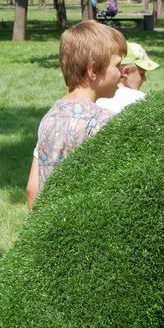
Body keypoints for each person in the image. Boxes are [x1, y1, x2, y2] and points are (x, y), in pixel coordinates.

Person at [25, 20, 126, 209]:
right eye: (118, 65)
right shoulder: (101, 121)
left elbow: (32, 189)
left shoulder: (51, 116)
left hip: (50, 227)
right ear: (93, 70)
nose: (122, 73)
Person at [95, 41, 159, 115]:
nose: (144, 79)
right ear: (126, 72)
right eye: (141, 74)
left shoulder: (98, 96)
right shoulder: (137, 98)